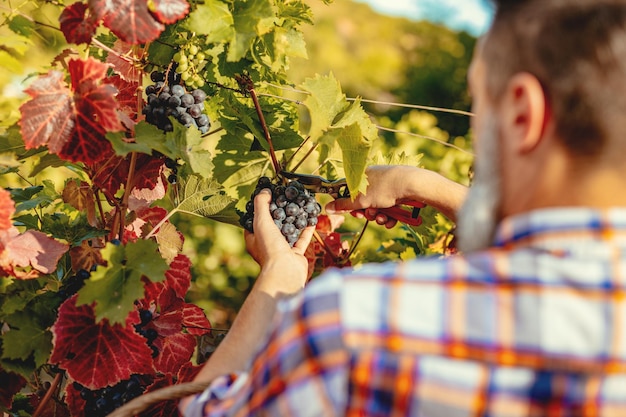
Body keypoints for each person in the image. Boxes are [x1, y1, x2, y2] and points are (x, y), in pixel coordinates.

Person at [181, 0, 626, 415]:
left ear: (520, 115)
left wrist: (275, 283)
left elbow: (204, 409)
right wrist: (426, 186)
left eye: (479, 104)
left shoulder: (353, 325)